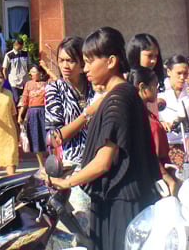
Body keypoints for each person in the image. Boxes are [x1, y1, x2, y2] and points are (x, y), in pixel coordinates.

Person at [46, 27, 159, 250]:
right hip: (131, 198)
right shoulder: (126, 93)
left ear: (111, 61)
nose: (85, 68)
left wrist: (65, 182)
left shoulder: (116, 100)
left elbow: (103, 162)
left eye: (89, 61)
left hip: (121, 204)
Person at [46, 36, 95, 167]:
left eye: (70, 61)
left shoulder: (94, 86)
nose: (65, 66)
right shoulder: (54, 89)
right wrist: (86, 115)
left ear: (82, 63)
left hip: (98, 159)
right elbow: (55, 137)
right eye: (61, 60)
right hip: (70, 163)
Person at [131, 66, 176, 193]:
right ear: (142, 87)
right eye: (154, 85)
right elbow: (147, 151)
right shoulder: (139, 116)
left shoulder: (146, 113)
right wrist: (166, 177)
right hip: (156, 180)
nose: (157, 90)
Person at [19, 64, 49, 164]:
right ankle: (41, 165)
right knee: (35, 138)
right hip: (32, 113)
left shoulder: (47, 84)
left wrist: (47, 68)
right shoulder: (28, 84)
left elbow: (56, 79)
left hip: (45, 112)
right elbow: (24, 101)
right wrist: (20, 115)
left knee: (48, 137)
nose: (32, 74)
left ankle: (52, 161)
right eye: (31, 72)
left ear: (40, 73)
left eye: (34, 72)